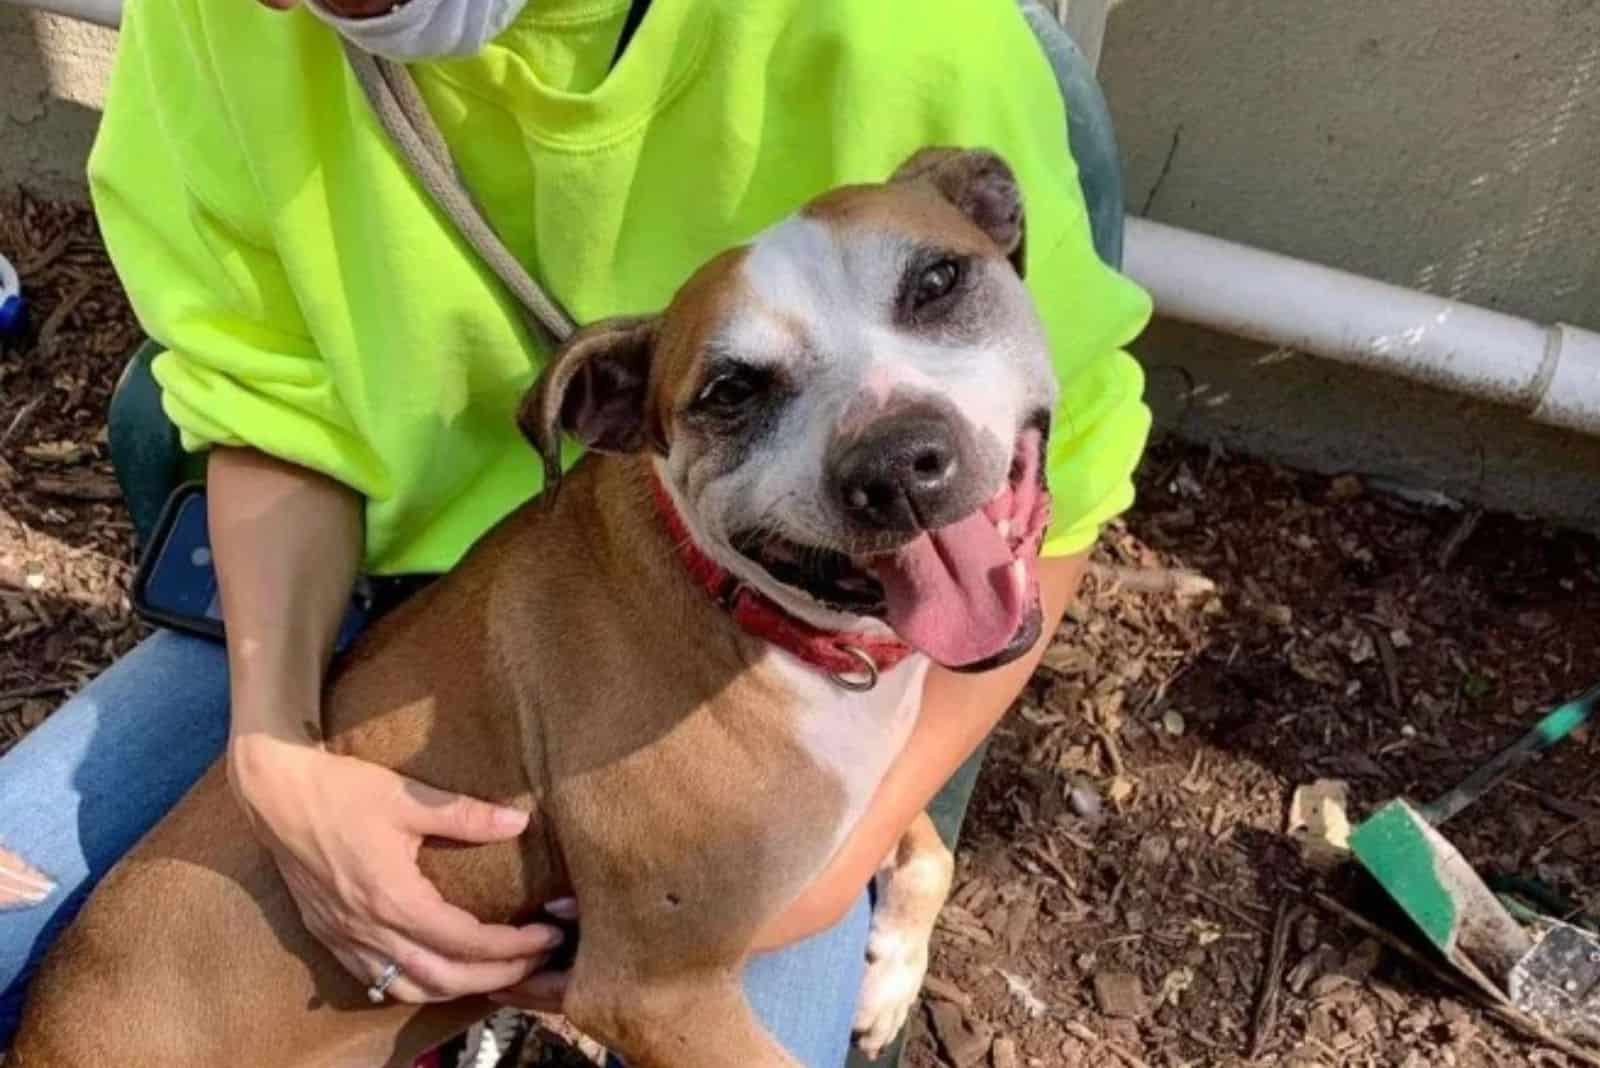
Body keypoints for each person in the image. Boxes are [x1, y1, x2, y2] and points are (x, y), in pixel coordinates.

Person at [0, 0, 1152, 1061]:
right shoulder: (209, 22)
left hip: (670, 672)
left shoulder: (908, 33)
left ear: (994, 224)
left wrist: (848, 850)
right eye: (743, 394)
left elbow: (1087, 447)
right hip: (339, 614)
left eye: (939, 291)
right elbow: (265, 400)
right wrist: (277, 754)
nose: (897, 450)